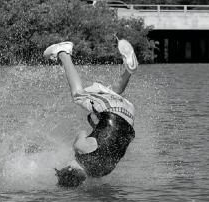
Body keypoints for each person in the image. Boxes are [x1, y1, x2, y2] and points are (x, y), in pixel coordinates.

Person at [43, 39, 138, 187]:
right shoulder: (81, 150)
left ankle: (129, 71)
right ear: (69, 168)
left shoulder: (101, 172)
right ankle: (63, 52)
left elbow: (109, 142)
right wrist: (76, 149)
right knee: (78, 95)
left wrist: (97, 128)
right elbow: (81, 133)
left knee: (111, 93)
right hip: (112, 112)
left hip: (129, 115)